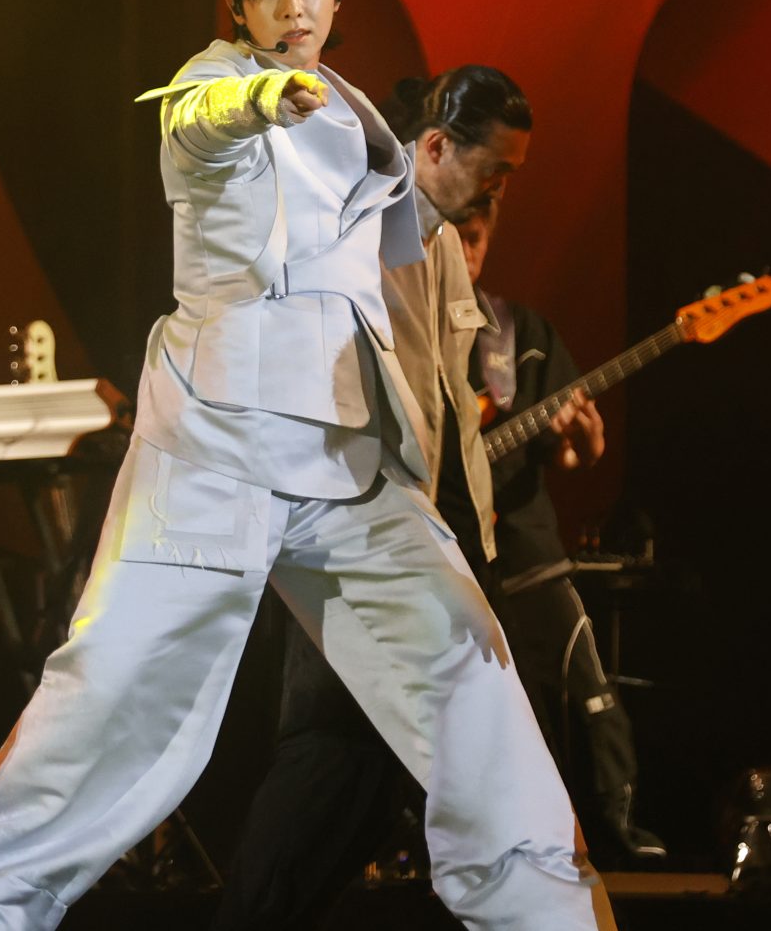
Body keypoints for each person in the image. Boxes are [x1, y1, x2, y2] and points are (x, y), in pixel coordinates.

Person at [0, 0, 599, 930]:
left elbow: (411, 229)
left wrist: (460, 173)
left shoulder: (358, 118)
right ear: (236, 5)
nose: (291, 7)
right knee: (106, 715)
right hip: (214, 459)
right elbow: (198, 123)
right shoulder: (213, 80)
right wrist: (256, 96)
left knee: (474, 685)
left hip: (348, 464)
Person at [213, 66, 599, 929]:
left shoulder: (441, 251)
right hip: (359, 551)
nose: (500, 191)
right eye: (493, 168)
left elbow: (451, 408)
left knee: (370, 787)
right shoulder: (345, 230)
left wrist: (478, 552)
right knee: (331, 769)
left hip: (425, 549)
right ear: (433, 147)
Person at [459, 203, 666, 868]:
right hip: (447, 563)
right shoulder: (400, 329)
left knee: (588, 698)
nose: (467, 246)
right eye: (454, 233)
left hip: (527, 555)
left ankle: (616, 834)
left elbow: (582, 452)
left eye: (477, 234)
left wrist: (582, 435)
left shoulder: (518, 334)